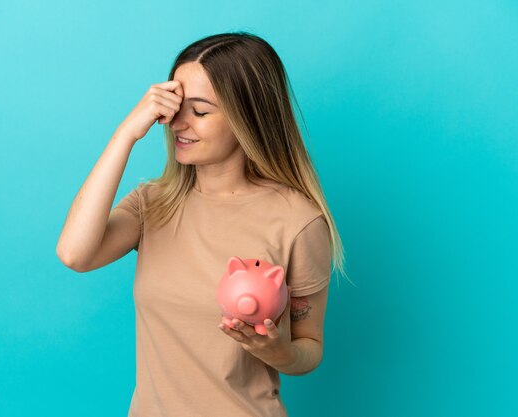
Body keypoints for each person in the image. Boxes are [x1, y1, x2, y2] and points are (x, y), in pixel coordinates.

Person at [56, 31, 348, 417]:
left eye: (201, 111)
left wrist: (278, 351)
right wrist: (126, 134)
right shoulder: (152, 205)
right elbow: (75, 254)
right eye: (175, 106)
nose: (178, 123)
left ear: (248, 116)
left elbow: (309, 348)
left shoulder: (297, 220)